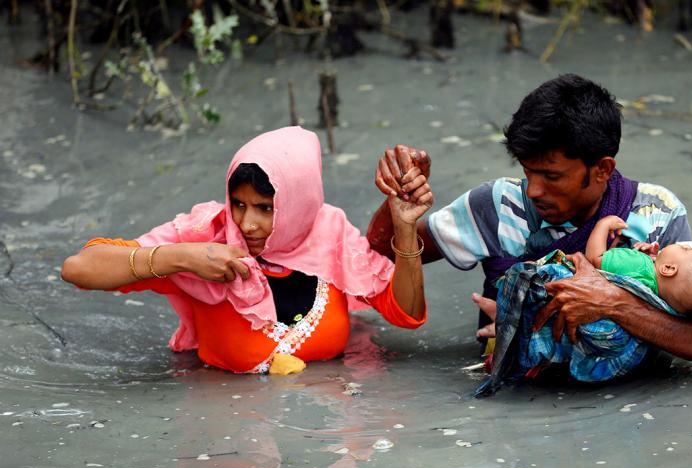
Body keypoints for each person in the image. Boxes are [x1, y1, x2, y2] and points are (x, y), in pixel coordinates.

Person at [367, 73, 692, 366]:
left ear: (602, 169)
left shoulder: (657, 213)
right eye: (528, 171)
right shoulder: (498, 204)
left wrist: (612, 302)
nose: (535, 190)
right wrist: (399, 202)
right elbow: (379, 252)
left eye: (552, 176)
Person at [61, 126, 433, 374]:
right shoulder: (205, 236)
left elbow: (407, 315)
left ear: (298, 205)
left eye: (265, 208)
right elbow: (78, 268)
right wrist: (183, 257)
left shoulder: (330, 235)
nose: (247, 224)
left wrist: (404, 227)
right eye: (238, 204)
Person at [585, 215, 692, 322]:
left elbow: (595, 259)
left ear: (668, 268)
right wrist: (652, 260)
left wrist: (602, 225)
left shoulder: (637, 265)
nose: (684, 246)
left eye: (686, 250)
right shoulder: (662, 307)